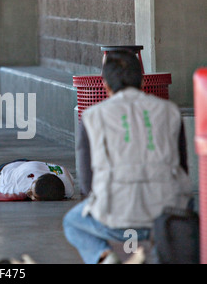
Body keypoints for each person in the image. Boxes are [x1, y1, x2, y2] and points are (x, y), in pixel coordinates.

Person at [63, 50, 193, 264]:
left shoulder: (92, 116)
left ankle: (103, 257)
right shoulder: (170, 111)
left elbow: (87, 182)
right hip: (166, 215)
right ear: (142, 80)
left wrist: (101, 204)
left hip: (114, 219)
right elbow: (183, 167)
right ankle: (157, 255)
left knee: (72, 222)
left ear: (104, 84)